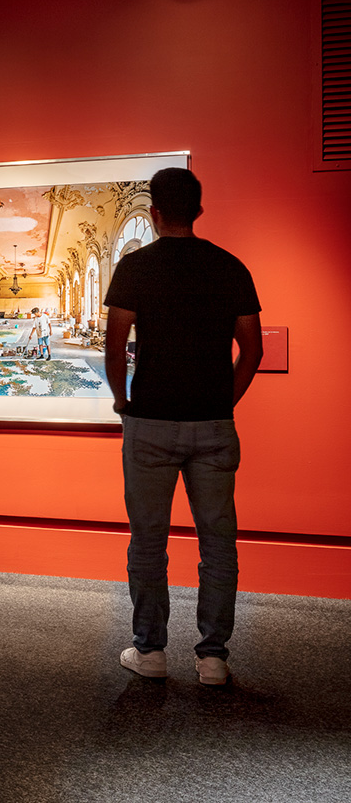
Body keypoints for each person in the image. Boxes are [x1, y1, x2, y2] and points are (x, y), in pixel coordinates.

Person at [103, 167, 262, 686]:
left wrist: (122, 400)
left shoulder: (134, 267)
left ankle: (150, 651)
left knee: (148, 540)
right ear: (198, 210)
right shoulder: (230, 266)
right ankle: (213, 657)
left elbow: (115, 341)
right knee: (218, 541)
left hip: (148, 422)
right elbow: (252, 349)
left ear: (153, 212)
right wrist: (224, 400)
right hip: (212, 424)